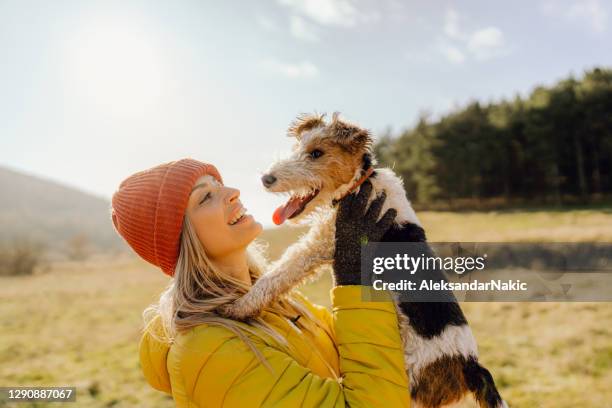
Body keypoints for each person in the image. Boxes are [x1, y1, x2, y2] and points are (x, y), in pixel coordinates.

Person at [111, 158, 410, 407]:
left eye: (220, 184)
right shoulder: (209, 352)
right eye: (205, 197)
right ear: (181, 238)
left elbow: (363, 350)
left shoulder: (273, 302)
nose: (233, 191)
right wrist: (355, 277)